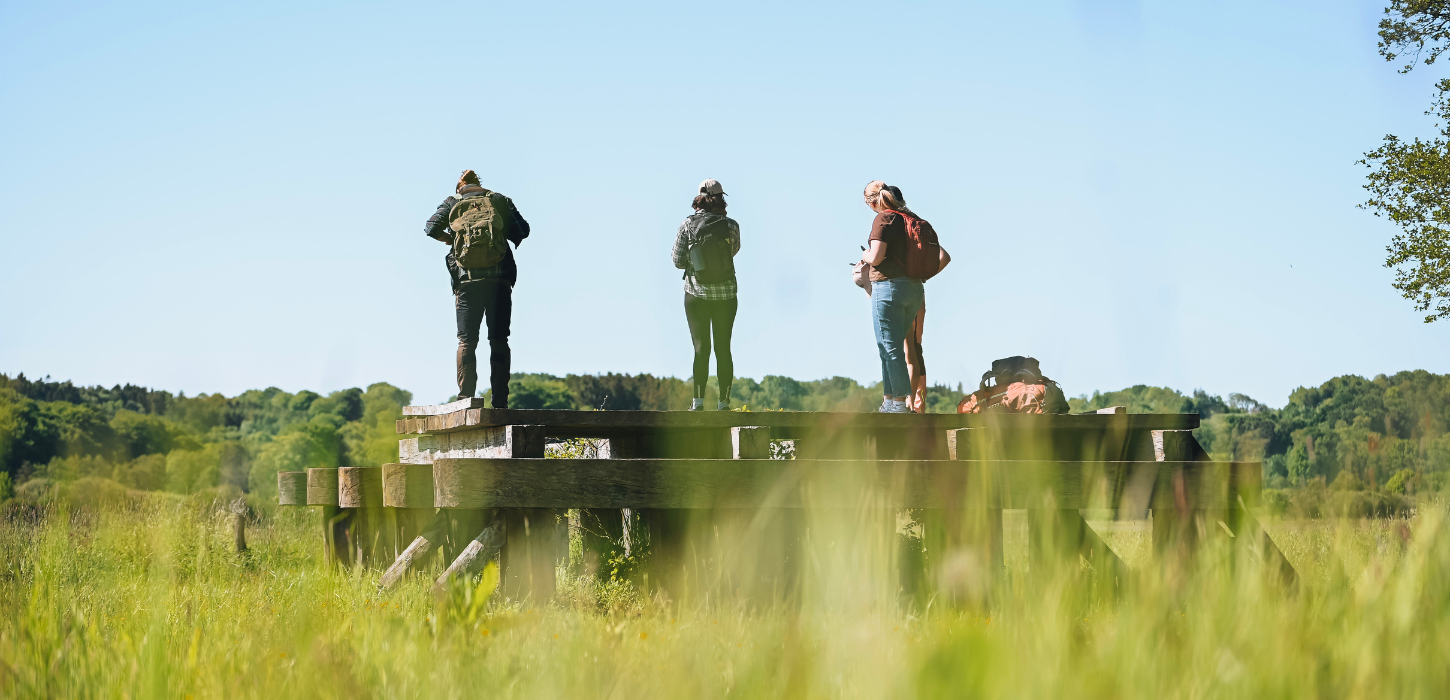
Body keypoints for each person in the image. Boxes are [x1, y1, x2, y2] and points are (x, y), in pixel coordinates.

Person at [424, 169, 530, 406]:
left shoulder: (452, 203)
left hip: (466, 281)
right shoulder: (499, 200)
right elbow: (523, 230)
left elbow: (430, 228)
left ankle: (466, 399)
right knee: (499, 340)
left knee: (466, 341)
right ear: (480, 184)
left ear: (460, 187)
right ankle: (500, 401)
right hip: (499, 280)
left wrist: (452, 239)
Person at [859, 181, 950, 413]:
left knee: (889, 348)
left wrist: (867, 255)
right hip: (914, 290)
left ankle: (898, 403)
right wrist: (922, 277)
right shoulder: (911, 218)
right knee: (890, 347)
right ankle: (889, 400)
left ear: (872, 201)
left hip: (887, 289)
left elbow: (877, 256)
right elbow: (943, 256)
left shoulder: (884, 219)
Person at [671, 179, 741, 411]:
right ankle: (724, 402)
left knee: (701, 348)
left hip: (696, 293)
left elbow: (677, 261)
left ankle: (698, 402)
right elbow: (733, 251)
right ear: (721, 197)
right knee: (724, 348)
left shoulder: (687, 225)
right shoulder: (731, 225)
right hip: (726, 294)